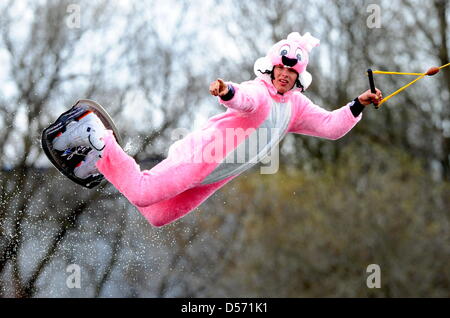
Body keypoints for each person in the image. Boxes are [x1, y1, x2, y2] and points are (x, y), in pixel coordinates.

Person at [52, 32, 382, 227]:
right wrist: (227, 92)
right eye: (281, 69)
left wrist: (358, 104)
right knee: (141, 191)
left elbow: (331, 127)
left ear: (298, 78)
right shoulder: (260, 93)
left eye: (291, 73)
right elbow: (245, 99)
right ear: (272, 67)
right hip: (203, 155)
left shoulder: (295, 107)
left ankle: (104, 159)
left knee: (157, 215)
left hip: (217, 174)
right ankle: (96, 136)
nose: (284, 76)